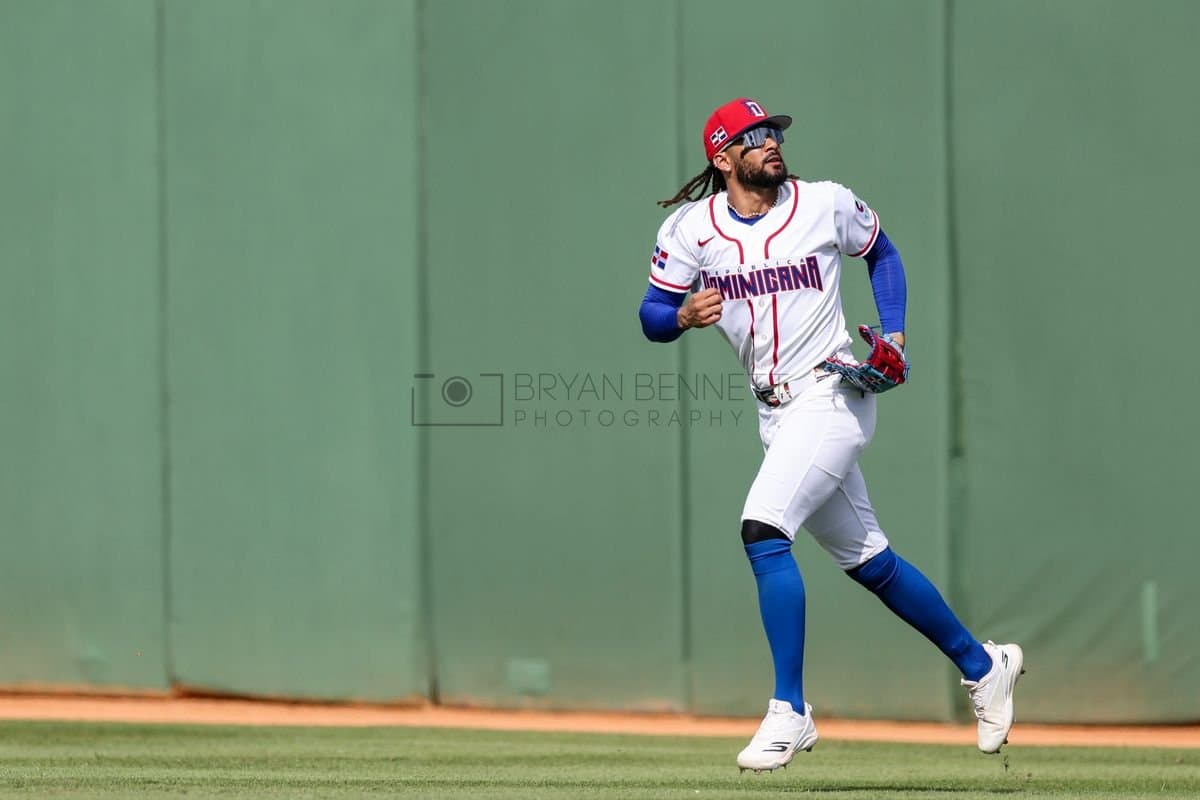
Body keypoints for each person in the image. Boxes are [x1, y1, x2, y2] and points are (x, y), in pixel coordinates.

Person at [638, 97, 1023, 772]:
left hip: (831, 393)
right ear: (723, 158)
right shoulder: (690, 230)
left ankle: (790, 710)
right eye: (753, 137)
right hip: (774, 411)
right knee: (868, 560)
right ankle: (982, 663)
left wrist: (895, 331)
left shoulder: (822, 203)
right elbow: (651, 314)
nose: (770, 142)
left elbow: (884, 253)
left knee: (763, 528)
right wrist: (682, 317)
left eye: (773, 132)